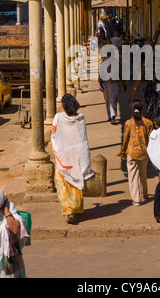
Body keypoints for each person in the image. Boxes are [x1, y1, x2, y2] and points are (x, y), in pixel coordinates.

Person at [51, 94, 94, 224]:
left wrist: (58, 148)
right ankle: (76, 209)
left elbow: (53, 134)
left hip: (63, 157)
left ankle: (68, 210)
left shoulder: (58, 117)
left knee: (62, 184)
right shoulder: (81, 118)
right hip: (77, 156)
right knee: (76, 180)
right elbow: (83, 139)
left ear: (63, 106)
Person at [117, 100, 153, 206]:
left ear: (132, 110)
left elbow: (125, 139)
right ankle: (144, 194)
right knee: (143, 174)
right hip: (144, 152)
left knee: (133, 176)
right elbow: (150, 139)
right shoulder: (148, 123)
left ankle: (137, 199)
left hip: (132, 152)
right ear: (142, 110)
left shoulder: (128, 123)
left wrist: (123, 152)